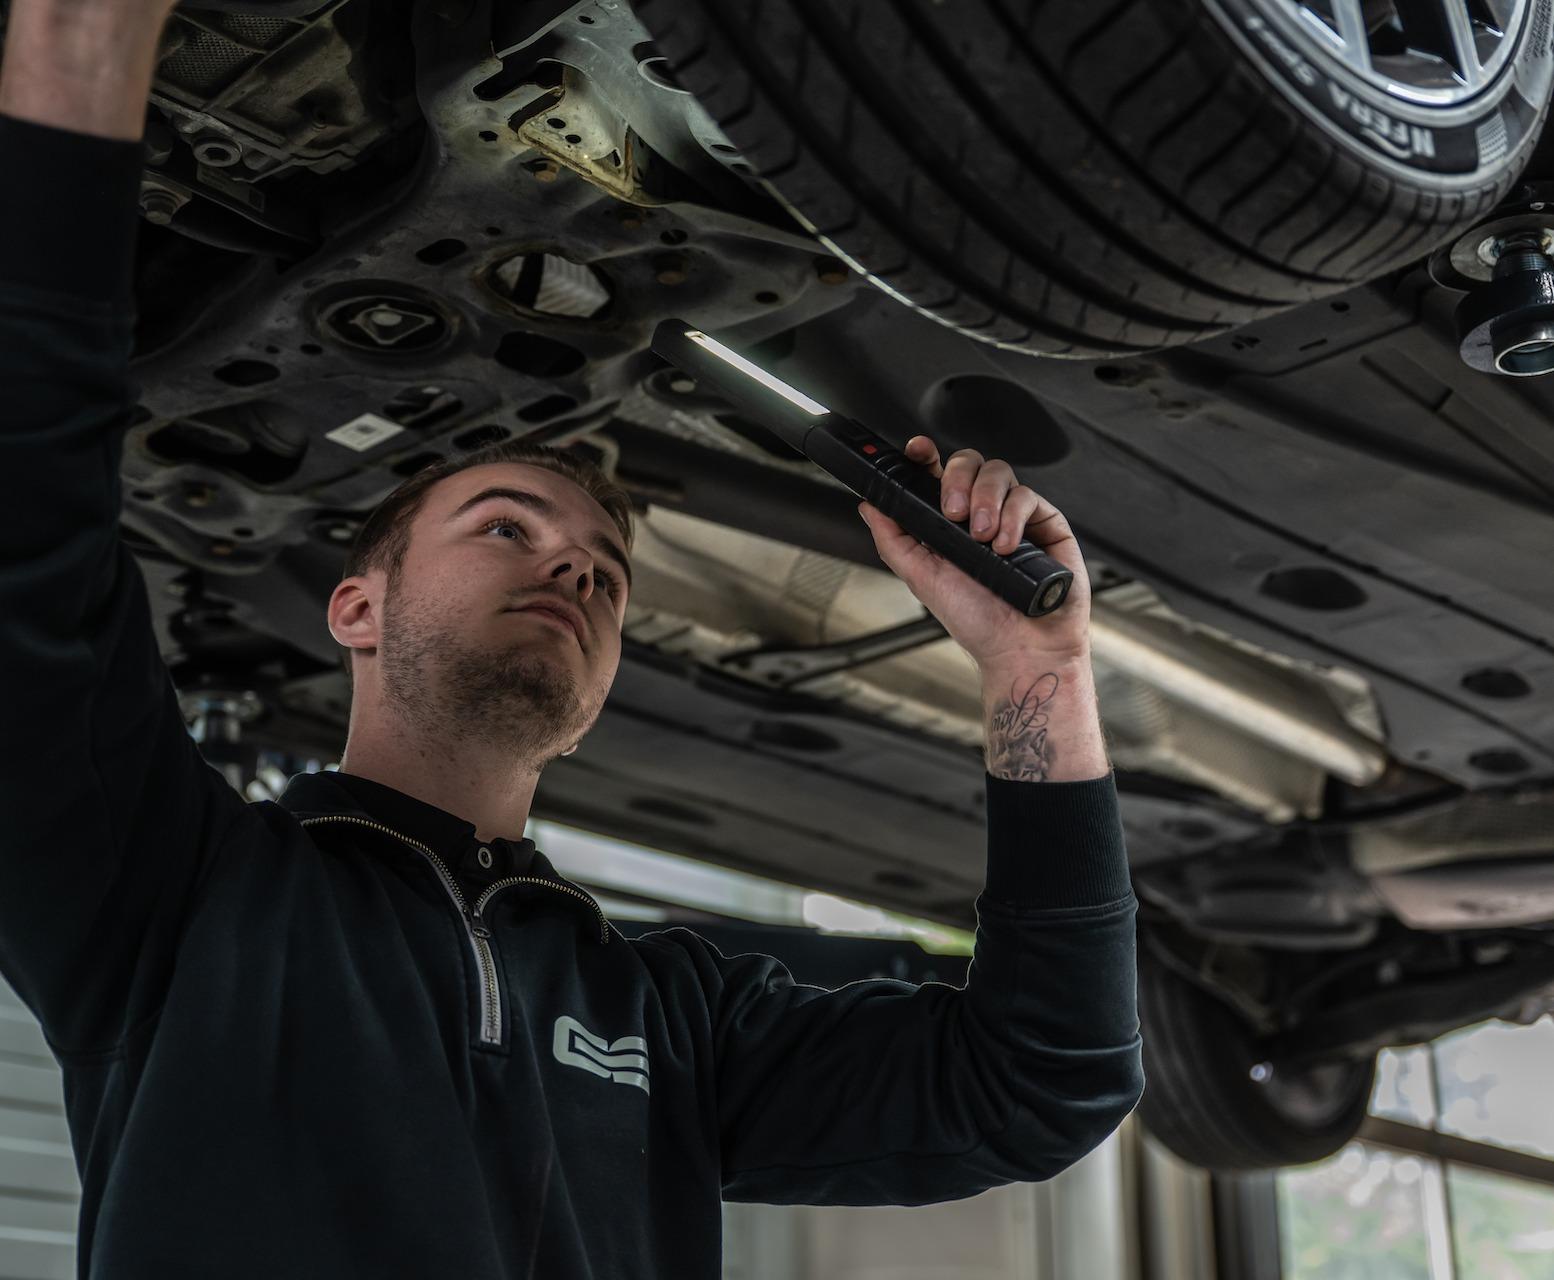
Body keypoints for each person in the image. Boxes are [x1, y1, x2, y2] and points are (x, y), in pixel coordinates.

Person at [0, 1, 1143, 1275]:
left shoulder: (668, 1012)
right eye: (506, 526)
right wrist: (78, 46)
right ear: (355, 605)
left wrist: (1038, 673)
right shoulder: (175, 893)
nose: (572, 570)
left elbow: (1047, 1075)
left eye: (602, 571)